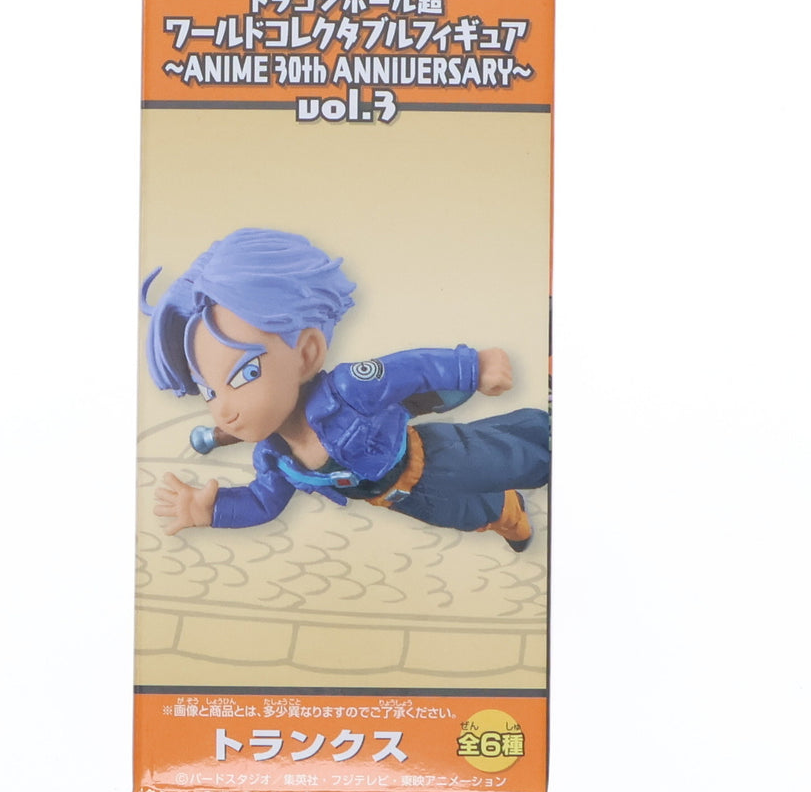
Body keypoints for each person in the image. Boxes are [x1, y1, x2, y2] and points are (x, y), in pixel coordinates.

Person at [140, 228, 550, 551]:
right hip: (399, 499)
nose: (223, 411)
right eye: (209, 391)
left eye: (245, 374)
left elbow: (411, 369)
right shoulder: (275, 458)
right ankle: (507, 512)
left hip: (434, 457)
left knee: (515, 458)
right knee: (468, 514)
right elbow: (263, 501)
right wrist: (212, 510)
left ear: (307, 353)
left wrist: (472, 366)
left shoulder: (347, 390)